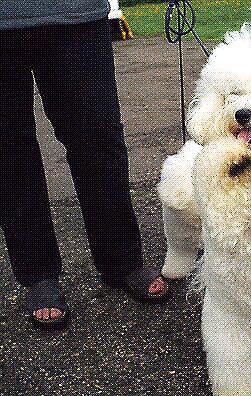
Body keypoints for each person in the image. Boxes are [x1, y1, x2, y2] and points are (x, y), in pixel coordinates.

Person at [0, 1, 170, 329]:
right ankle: (38, 275)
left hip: (76, 14)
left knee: (98, 139)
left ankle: (121, 261)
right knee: (9, 153)